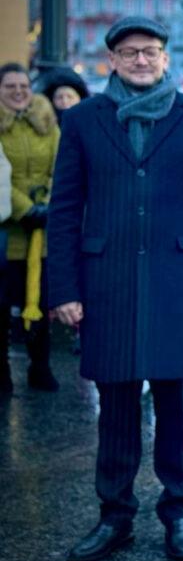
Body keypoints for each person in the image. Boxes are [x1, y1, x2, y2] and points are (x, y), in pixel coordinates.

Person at [47, 16, 183, 561]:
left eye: (150, 51)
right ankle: (115, 516)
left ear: (165, 58)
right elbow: (64, 212)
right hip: (108, 285)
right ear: (111, 60)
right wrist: (64, 289)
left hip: (182, 285)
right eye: (129, 53)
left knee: (179, 408)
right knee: (116, 408)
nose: (140, 61)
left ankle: (179, 512)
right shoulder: (82, 120)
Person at [0, 62, 60, 393]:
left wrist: (47, 204)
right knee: (1, 307)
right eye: (10, 86)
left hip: (42, 235)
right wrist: (25, 208)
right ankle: (3, 372)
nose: (19, 92)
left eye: (23, 86)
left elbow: (62, 166)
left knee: (39, 301)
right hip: (7, 230)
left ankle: (41, 367)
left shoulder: (48, 124)